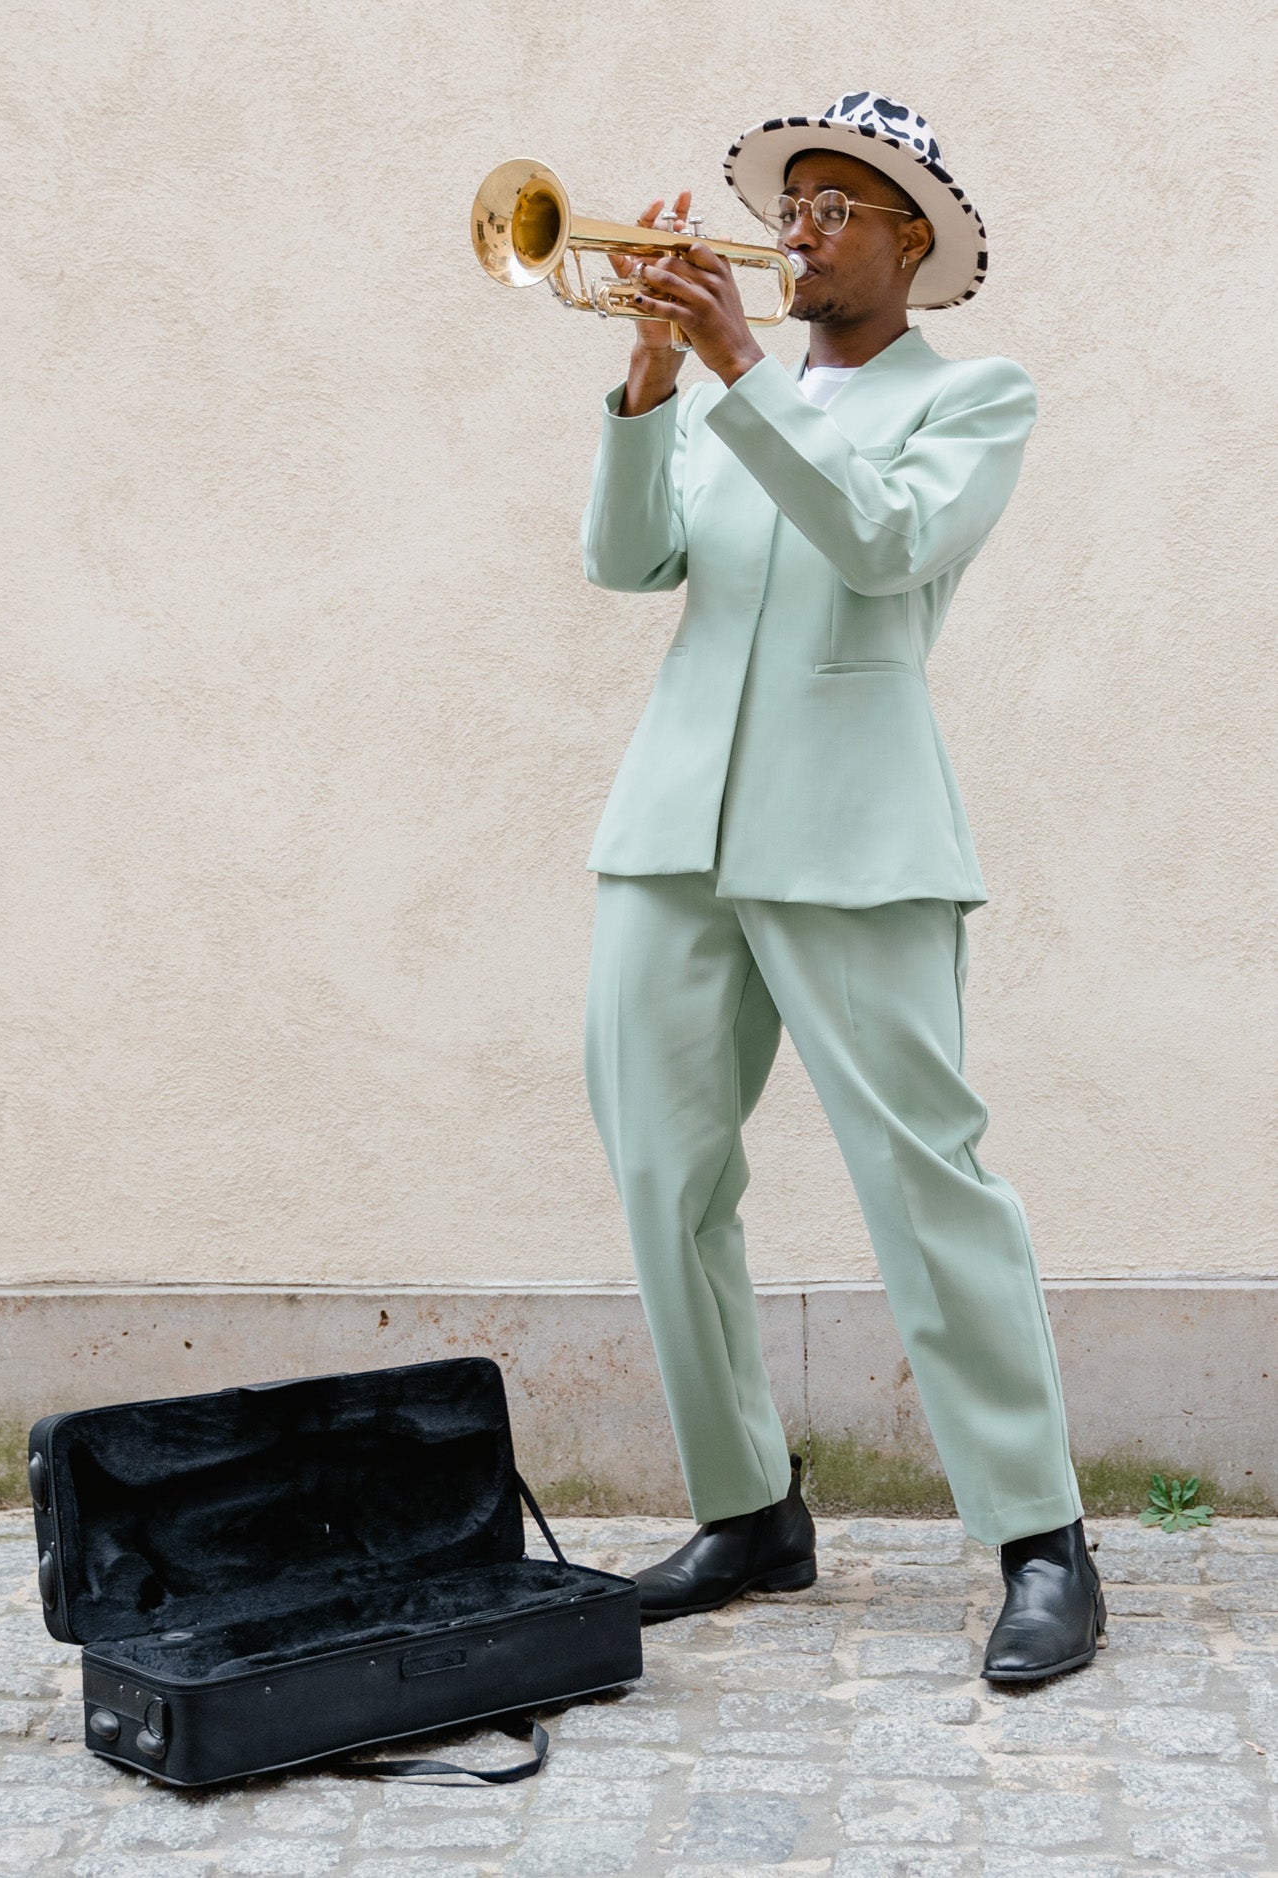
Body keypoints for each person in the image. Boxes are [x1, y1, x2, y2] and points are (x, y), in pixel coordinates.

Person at [578, 90, 1105, 1681]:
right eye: (789, 203)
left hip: (856, 836)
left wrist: (738, 372)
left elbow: (881, 546)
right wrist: (649, 387)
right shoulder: (737, 395)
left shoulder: (976, 399)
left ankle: (1041, 1536)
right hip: (675, 827)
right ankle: (749, 1509)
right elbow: (628, 561)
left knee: (925, 1180)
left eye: (833, 207)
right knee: (665, 1175)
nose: (796, 228)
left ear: (908, 243)